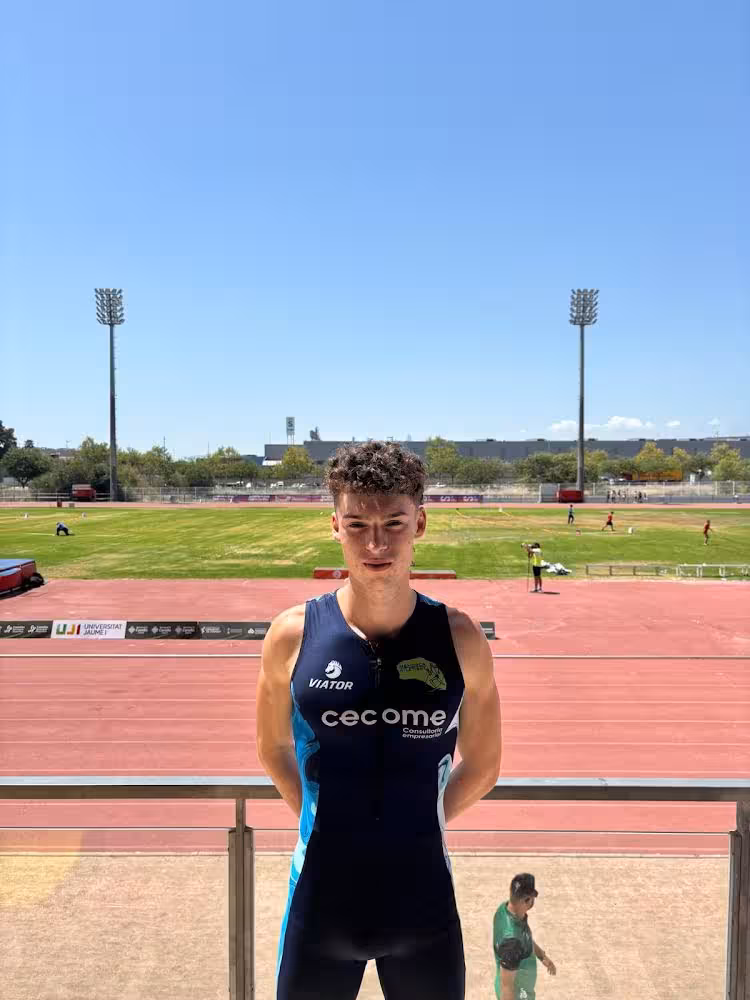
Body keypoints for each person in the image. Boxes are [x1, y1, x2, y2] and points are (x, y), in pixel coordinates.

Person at [256, 441, 502, 1000]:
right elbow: (271, 747)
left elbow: (485, 763)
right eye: (357, 524)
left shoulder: (460, 638)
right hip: (319, 903)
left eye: (393, 522)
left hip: (423, 908)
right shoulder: (293, 635)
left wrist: (420, 819)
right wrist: (322, 815)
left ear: (420, 523)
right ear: (334, 526)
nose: (375, 543)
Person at [493, 873, 556, 999]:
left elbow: (523, 937)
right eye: (532, 898)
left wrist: (541, 956)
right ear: (526, 900)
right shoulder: (512, 943)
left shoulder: (506, 910)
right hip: (518, 994)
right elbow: (507, 986)